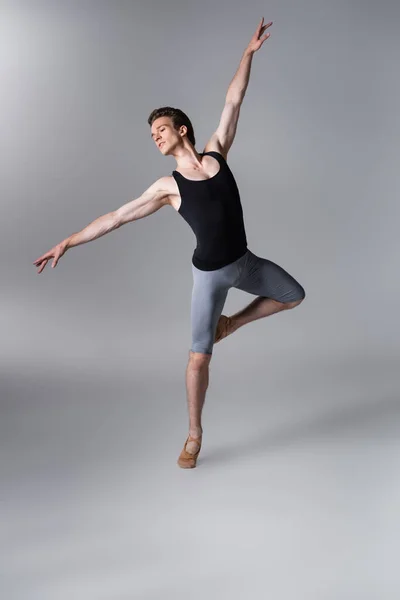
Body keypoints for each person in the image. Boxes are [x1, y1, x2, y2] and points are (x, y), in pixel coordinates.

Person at [33, 18, 305, 469]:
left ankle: (230, 325)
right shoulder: (168, 186)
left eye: (160, 128)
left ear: (181, 128)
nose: (155, 136)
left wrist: (248, 54)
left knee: (293, 295)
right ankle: (195, 434)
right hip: (211, 276)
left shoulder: (218, 150)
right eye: (152, 134)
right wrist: (68, 241)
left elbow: (234, 99)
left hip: (246, 263)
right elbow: (116, 218)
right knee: (199, 359)